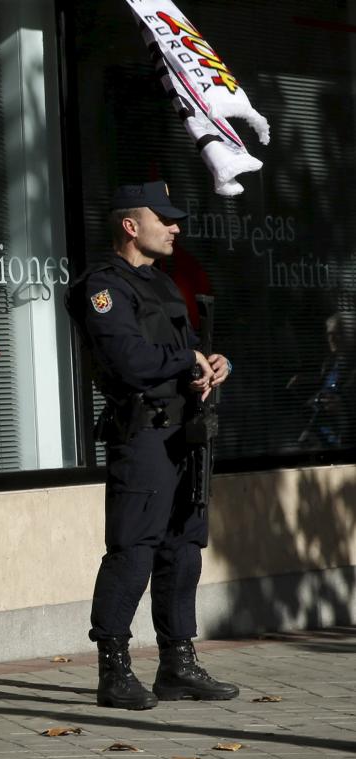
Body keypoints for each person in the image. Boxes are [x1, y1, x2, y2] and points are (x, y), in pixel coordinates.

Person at [68, 181, 237, 711]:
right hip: (142, 434)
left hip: (187, 432)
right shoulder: (103, 288)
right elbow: (130, 362)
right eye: (163, 218)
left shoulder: (162, 286)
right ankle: (114, 670)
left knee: (182, 548)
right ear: (129, 225)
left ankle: (177, 663)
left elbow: (183, 352)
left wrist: (214, 364)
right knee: (133, 549)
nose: (175, 227)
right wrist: (187, 361)